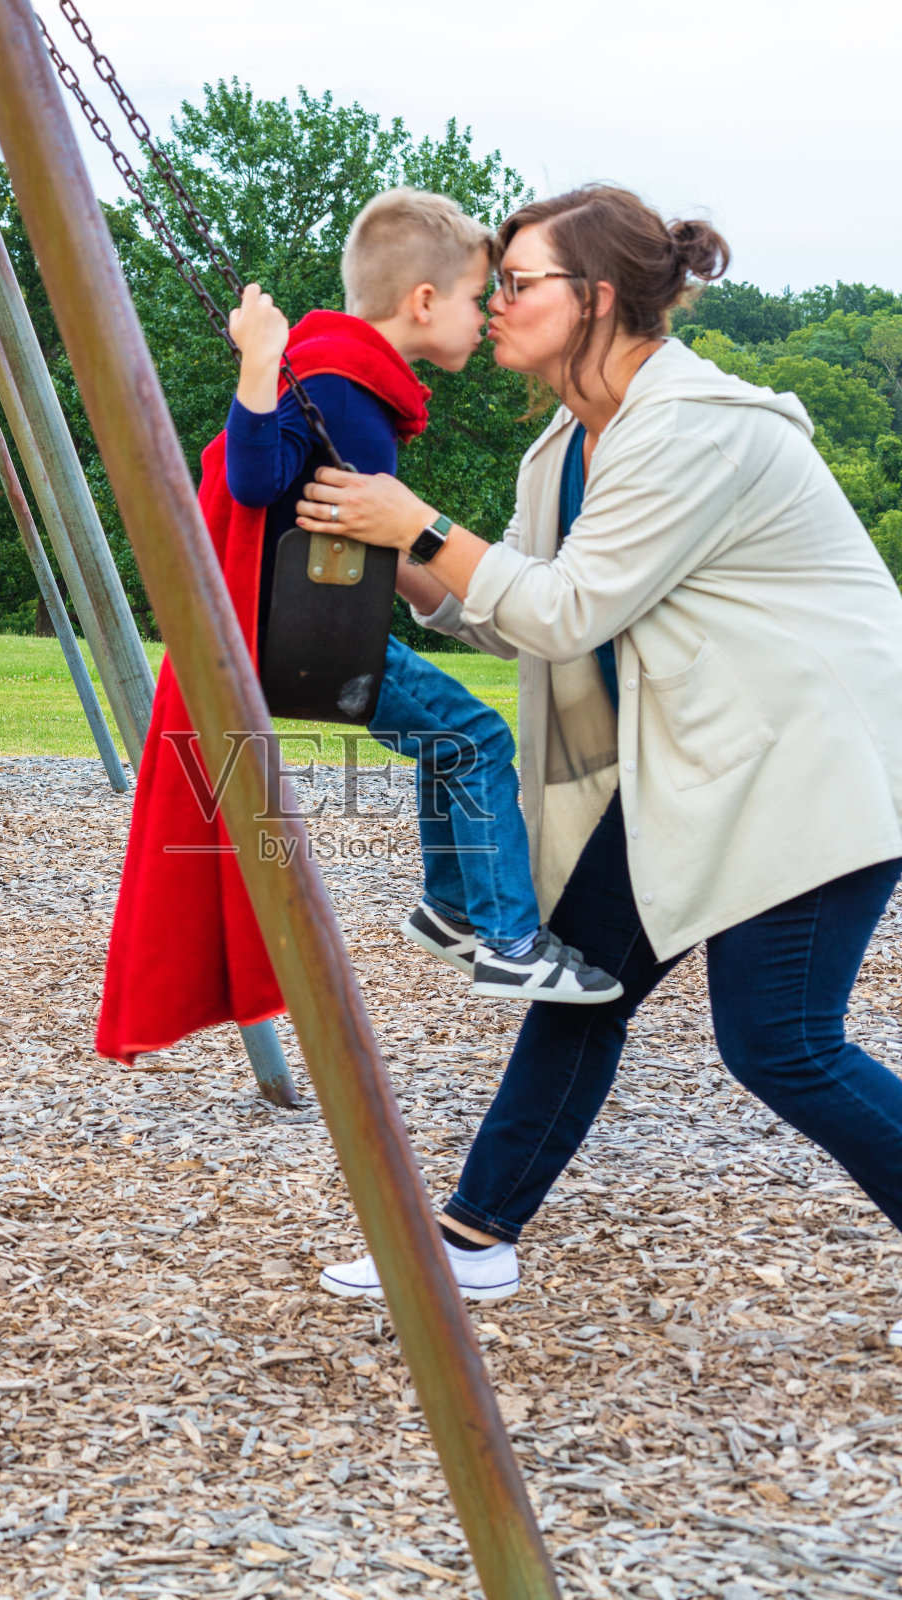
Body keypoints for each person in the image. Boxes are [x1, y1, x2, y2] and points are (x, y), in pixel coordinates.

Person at [293, 184, 902, 1327]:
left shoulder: (693, 427)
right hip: (692, 763)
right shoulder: (566, 445)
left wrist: (414, 521)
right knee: (584, 984)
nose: (499, 302)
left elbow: (568, 606)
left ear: (600, 298)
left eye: (519, 282)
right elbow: (503, 608)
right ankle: (470, 1241)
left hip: (809, 763)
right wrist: (374, 537)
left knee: (780, 1042)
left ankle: (474, 1236)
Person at [98, 191, 621, 1064]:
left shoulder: (344, 379)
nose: (486, 312)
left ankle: (453, 908)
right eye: (475, 295)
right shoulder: (335, 382)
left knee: (454, 739)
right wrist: (257, 367)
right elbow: (259, 481)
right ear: (423, 301)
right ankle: (508, 940)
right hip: (300, 633)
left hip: (309, 625)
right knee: (477, 736)